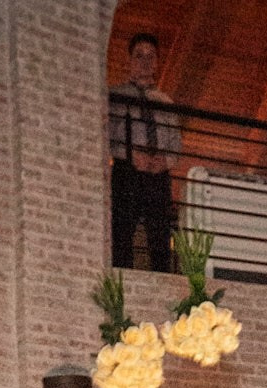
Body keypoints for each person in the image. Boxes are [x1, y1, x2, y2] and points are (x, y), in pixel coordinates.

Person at [108, 31, 181, 273]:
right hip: (127, 170)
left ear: (157, 62)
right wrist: (130, 155)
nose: (145, 61)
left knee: (159, 234)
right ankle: (122, 278)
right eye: (139, 56)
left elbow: (175, 144)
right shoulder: (116, 95)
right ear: (130, 60)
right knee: (122, 231)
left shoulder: (166, 102)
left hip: (158, 176)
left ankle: (161, 280)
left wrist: (165, 161)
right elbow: (105, 137)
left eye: (151, 57)